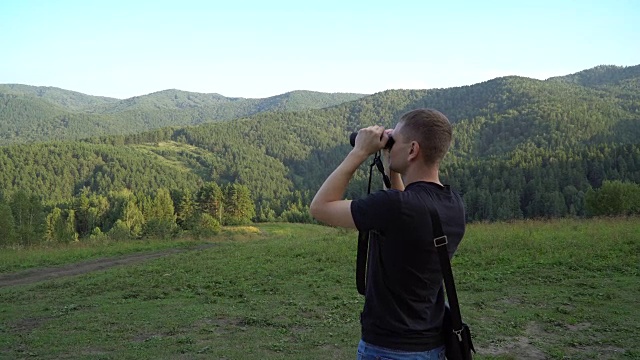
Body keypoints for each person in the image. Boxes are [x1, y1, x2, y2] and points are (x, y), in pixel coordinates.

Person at [309, 108, 466, 360]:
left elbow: (320, 207)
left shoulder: (396, 207)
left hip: (388, 349)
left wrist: (359, 151)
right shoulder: (454, 203)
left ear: (413, 150)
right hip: (432, 345)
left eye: (396, 141)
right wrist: (393, 167)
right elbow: (404, 208)